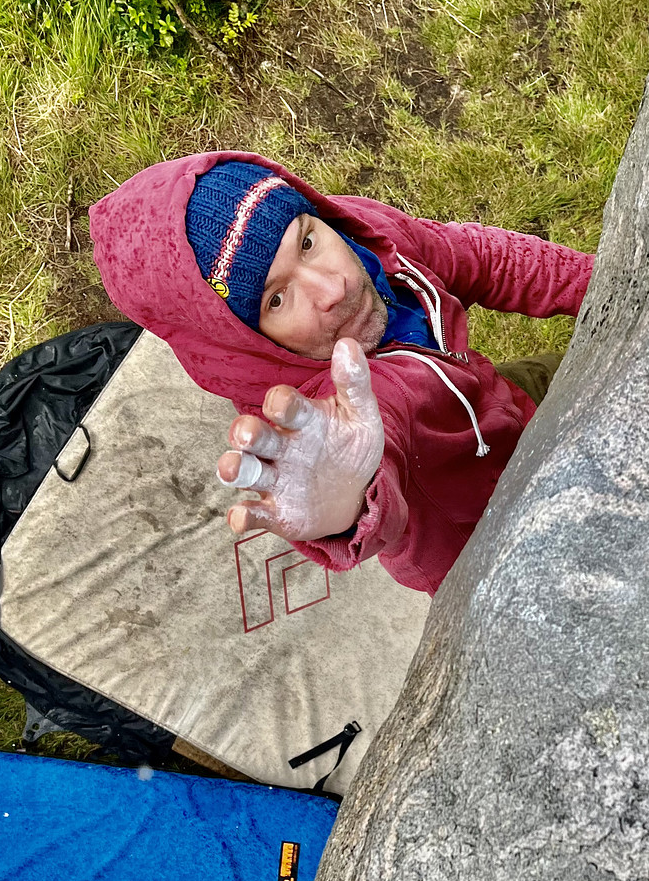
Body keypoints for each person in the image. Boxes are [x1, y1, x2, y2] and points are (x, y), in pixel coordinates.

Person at [89, 152, 593, 594]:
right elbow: (371, 450)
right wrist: (351, 507)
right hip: (498, 544)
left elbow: (478, 258)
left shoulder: (364, 236)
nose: (333, 289)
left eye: (306, 243)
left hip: (504, 400)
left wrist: (607, 280)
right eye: (277, 299)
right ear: (247, 339)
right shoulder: (312, 412)